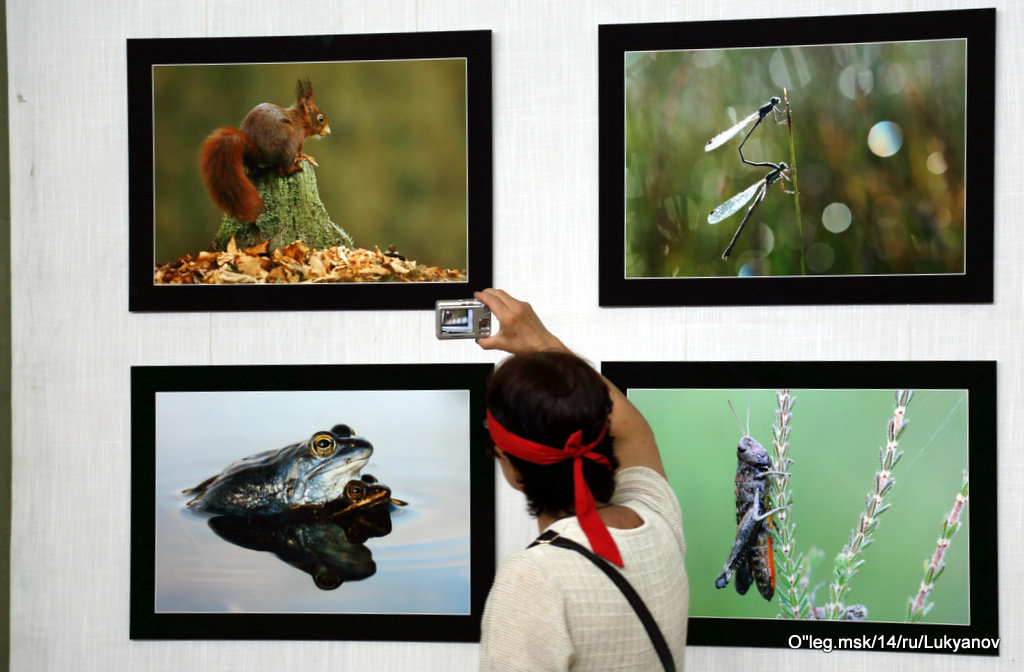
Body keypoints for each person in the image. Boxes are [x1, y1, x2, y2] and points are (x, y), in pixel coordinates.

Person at [474, 289, 688, 672]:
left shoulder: (532, 579)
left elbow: (629, 428)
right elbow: (635, 431)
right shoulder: (658, 524)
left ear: (510, 463)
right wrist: (544, 344)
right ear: (600, 431)